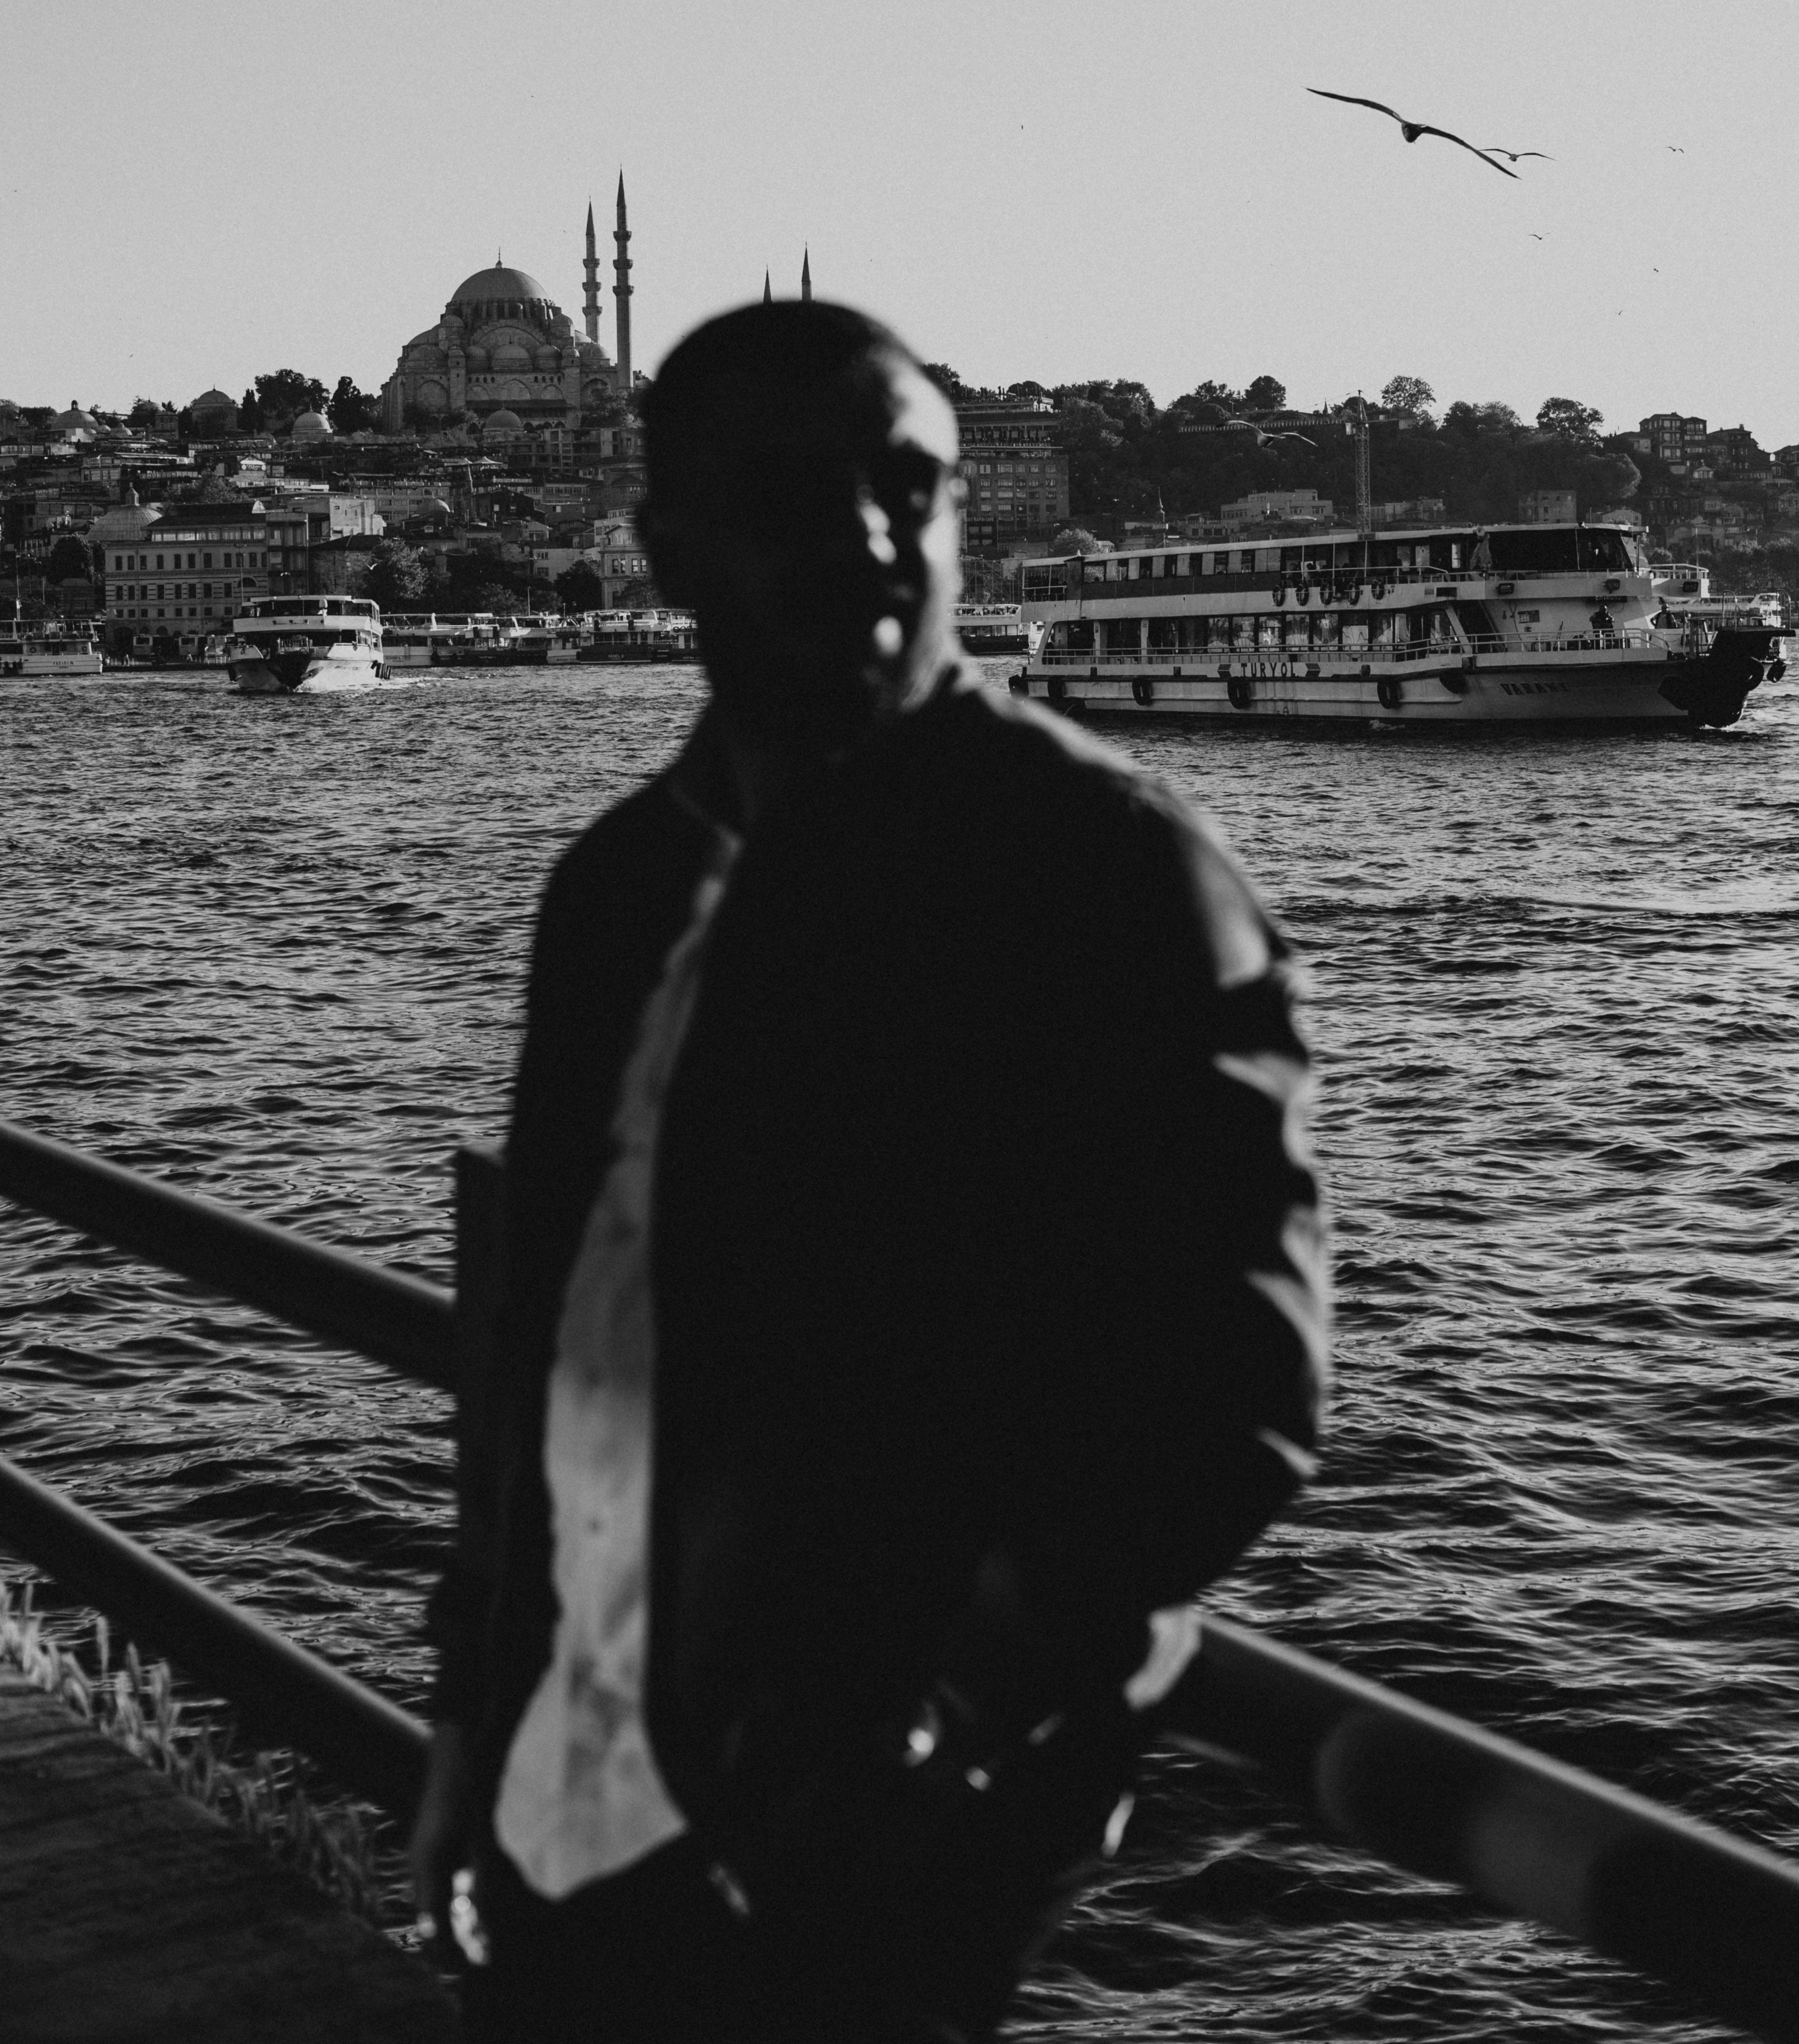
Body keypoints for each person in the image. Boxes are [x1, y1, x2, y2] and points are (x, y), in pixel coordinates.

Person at [411, 300, 1329, 2042]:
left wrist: (935, 1720)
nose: (860, 535)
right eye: (785, 493)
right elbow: (545, 1343)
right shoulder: (616, 892)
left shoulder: (1103, 875)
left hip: (882, 1830)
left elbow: (1241, 1387)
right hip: (579, 1774)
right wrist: (472, 1731)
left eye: (904, 483)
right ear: (665, 546)